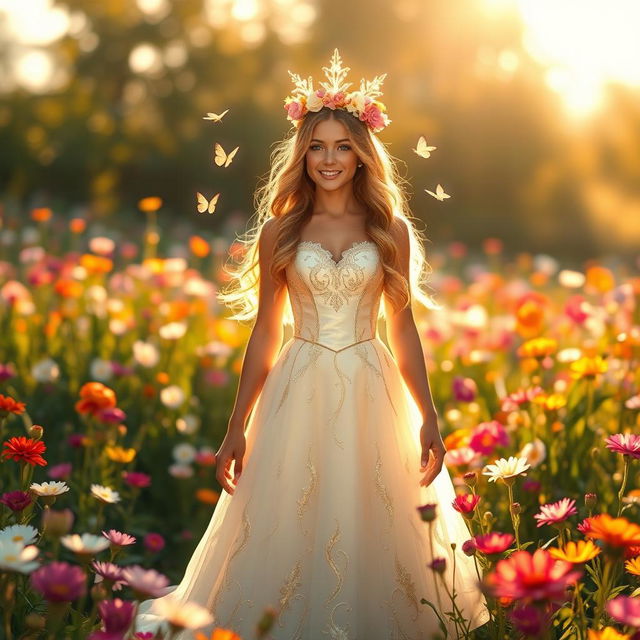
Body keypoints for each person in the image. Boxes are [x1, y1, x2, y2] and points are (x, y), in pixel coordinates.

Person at [135, 49, 490, 639]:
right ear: (302, 154)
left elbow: (402, 328)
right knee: (287, 516)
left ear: (361, 155)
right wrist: (236, 426)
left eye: (343, 146)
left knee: (373, 515)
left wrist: (428, 415)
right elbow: (265, 332)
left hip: (371, 385)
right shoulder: (281, 229)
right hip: (296, 384)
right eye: (318, 146)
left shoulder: (390, 230)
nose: (329, 159)